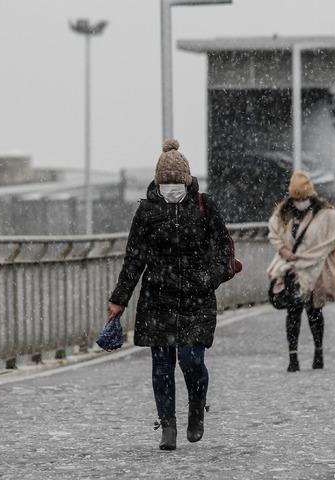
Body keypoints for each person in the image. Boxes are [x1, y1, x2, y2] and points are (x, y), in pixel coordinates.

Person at [107, 139, 234, 451]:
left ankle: (196, 406)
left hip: (196, 298)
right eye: (166, 184)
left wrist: (211, 277)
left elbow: (224, 249)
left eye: (177, 183)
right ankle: (167, 425)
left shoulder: (206, 206)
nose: (172, 189)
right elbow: (133, 259)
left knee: (192, 361)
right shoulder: (147, 212)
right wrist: (119, 299)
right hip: (157, 298)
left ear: (187, 182)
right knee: (161, 365)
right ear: (157, 183)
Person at [267, 171, 335, 372]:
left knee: (314, 311)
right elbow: (273, 232)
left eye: (303, 197)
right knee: (293, 312)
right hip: (293, 268)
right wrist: (283, 250)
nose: (300, 201)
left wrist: (332, 258)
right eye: (296, 198)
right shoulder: (283, 213)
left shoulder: (325, 214)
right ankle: (293, 358)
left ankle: (318, 353)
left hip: (315, 269)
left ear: (310, 195)